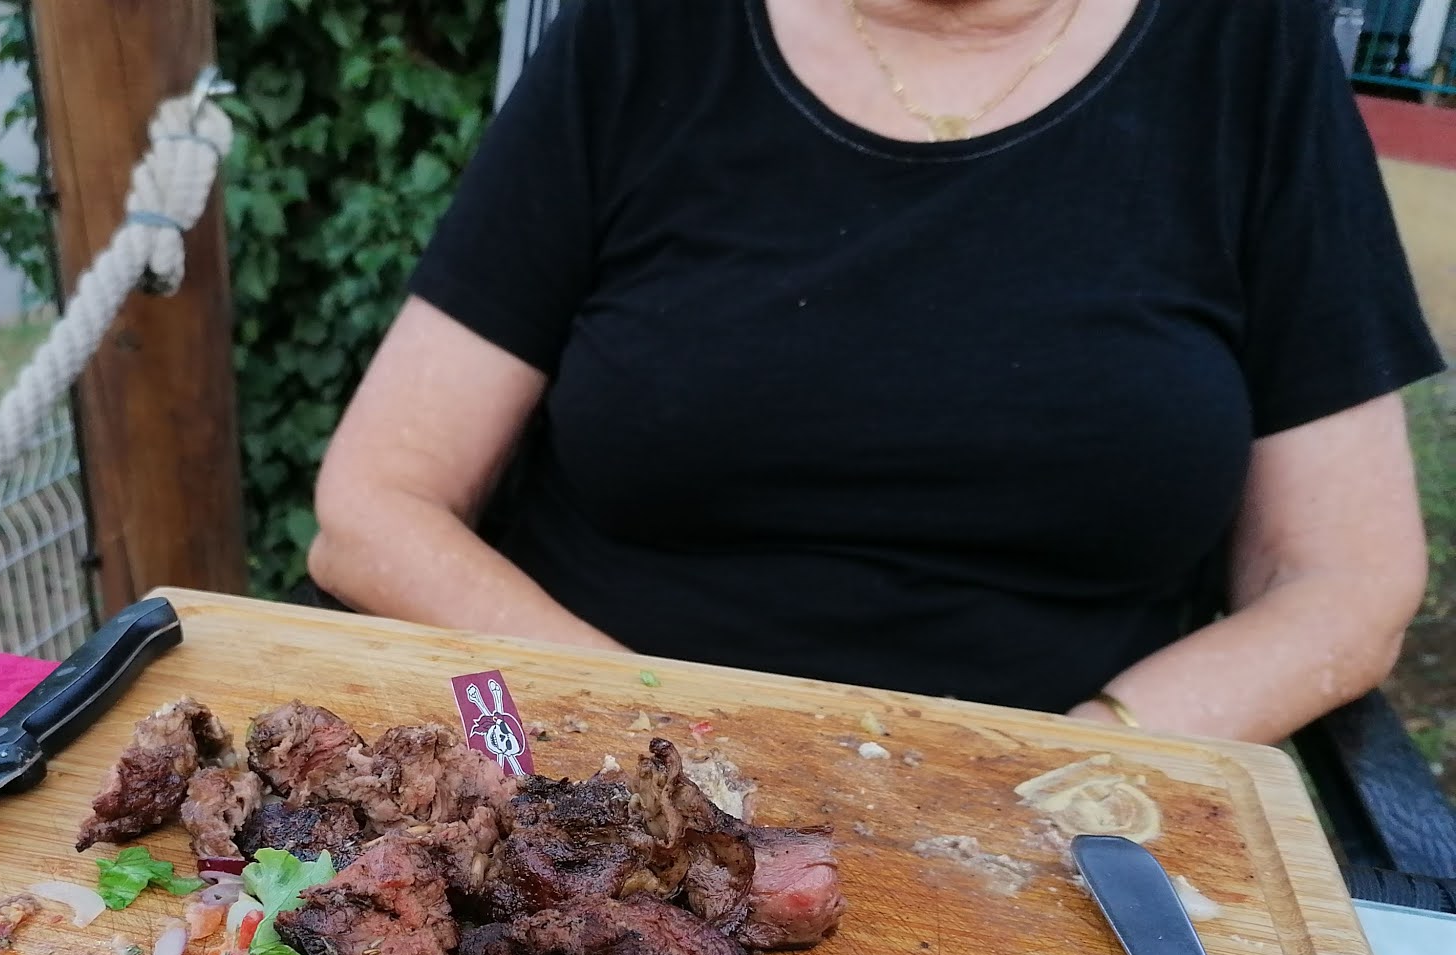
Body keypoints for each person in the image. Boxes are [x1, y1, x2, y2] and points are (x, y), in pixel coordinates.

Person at [309, 0, 1444, 742]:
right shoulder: (644, 31)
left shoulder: (1246, 49)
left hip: (1059, 830)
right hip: (595, 776)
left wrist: (1082, 767)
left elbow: (1344, 581)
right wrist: (644, 731)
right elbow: (373, 508)